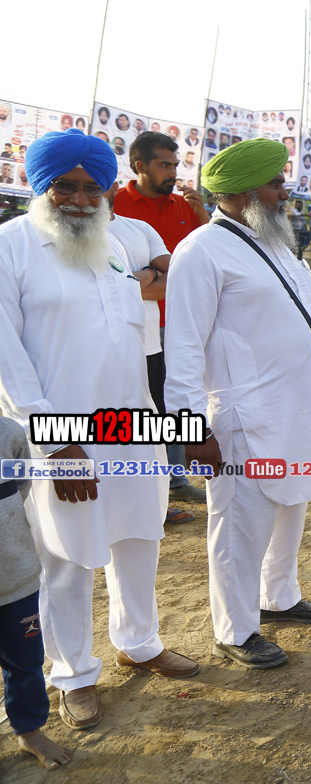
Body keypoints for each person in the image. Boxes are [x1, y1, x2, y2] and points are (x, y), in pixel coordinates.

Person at [0, 130, 198, 732]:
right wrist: (57, 442)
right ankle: (73, 674)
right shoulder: (11, 246)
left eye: (94, 188)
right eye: (66, 186)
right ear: (41, 186)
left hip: (132, 424)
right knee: (66, 554)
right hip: (63, 435)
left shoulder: (113, 244)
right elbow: (6, 356)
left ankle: (139, 642)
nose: (82, 200)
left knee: (138, 535)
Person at [166, 138, 311, 669]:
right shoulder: (200, 250)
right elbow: (183, 348)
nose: (285, 193)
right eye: (275, 184)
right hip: (243, 415)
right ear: (243, 192)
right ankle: (235, 630)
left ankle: (279, 596)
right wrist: (190, 428)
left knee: (291, 503)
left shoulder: (276, 242)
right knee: (239, 523)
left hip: (296, 406)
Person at [113, 132, 209, 505]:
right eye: (164, 165)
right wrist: (152, 280)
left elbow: (200, 268)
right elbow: (117, 284)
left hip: (188, 321)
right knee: (140, 405)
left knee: (178, 398)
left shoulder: (186, 205)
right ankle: (151, 485)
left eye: (175, 165)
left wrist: (202, 214)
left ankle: (176, 479)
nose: (173, 172)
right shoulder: (115, 207)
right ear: (140, 166)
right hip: (137, 327)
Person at [104, 183, 189, 525]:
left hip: (150, 346)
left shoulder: (139, 228)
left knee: (151, 430)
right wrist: (151, 275)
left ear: (111, 183)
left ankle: (154, 503)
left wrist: (144, 277)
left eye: (97, 182)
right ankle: (114, 507)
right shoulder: (69, 233)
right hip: (102, 352)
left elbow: (179, 277)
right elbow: (113, 288)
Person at [0, 415, 73, 769]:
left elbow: (21, 487)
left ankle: (29, 730)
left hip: (15, 578)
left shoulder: (9, 432)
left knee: (26, 660)